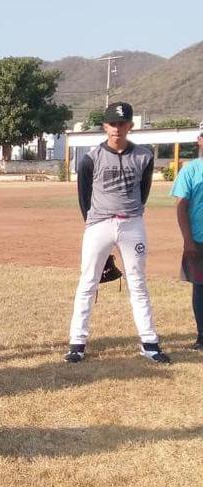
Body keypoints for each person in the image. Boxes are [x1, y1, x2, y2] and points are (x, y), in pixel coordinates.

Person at [65, 102, 170, 364]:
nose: (117, 128)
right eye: (112, 124)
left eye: (122, 124)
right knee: (88, 281)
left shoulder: (144, 156)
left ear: (130, 126)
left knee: (138, 282)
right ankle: (77, 343)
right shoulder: (91, 157)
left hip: (132, 223)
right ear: (105, 126)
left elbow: (143, 191)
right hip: (99, 224)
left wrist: (130, 213)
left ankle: (149, 342)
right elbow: (84, 197)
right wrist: (93, 224)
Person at [170, 126, 203, 350]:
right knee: (200, 287)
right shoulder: (191, 170)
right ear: (199, 139)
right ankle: (202, 337)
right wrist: (188, 241)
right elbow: (181, 208)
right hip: (199, 241)